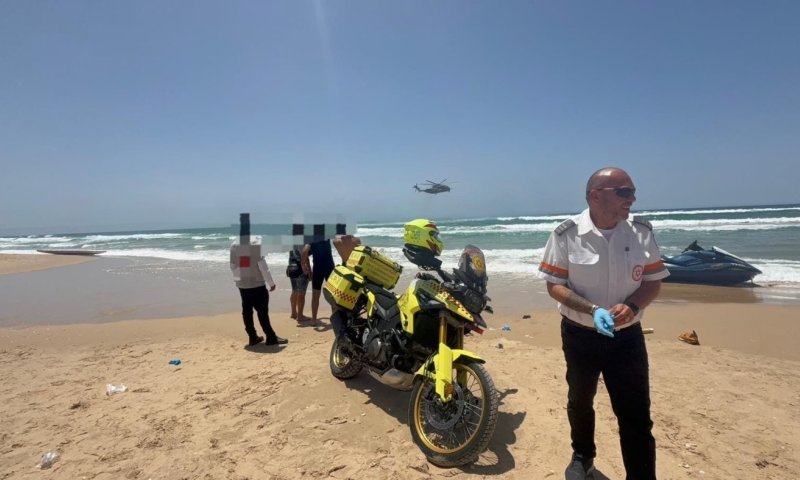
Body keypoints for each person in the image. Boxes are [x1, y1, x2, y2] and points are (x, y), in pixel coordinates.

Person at [536, 167, 669, 480]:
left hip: (627, 338)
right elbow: (555, 285)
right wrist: (592, 309)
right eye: (624, 192)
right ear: (596, 196)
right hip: (580, 335)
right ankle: (583, 456)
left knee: (636, 415)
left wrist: (633, 306)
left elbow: (652, 282)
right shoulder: (566, 234)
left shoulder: (641, 232)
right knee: (580, 401)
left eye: (633, 192)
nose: (632, 199)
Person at [230, 240, 288, 346]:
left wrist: (238, 280)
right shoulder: (255, 245)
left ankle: (252, 337)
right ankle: (270, 337)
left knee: (247, 311)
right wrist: (271, 283)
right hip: (256, 284)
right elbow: (263, 267)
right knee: (262, 312)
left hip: (242, 284)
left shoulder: (234, 245)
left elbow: (233, 265)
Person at [301, 238, 336, 323]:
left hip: (318, 269)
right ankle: (335, 319)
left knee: (315, 295)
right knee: (333, 295)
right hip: (329, 268)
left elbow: (305, 250)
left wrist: (302, 264)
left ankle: (314, 319)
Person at [287, 245, 310, 322]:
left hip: (292, 267)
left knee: (295, 291)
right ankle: (300, 316)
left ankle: (294, 313)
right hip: (301, 268)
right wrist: (309, 271)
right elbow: (305, 256)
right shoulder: (303, 241)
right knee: (301, 293)